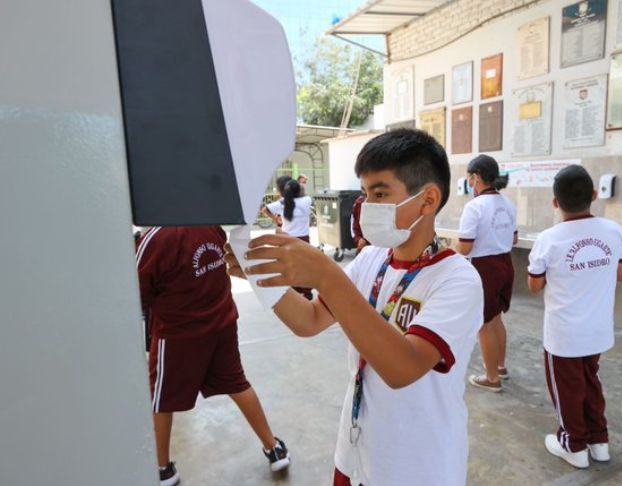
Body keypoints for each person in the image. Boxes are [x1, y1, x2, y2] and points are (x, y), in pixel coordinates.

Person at [225, 129, 483, 486]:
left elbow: (402, 368)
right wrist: (258, 275)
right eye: (364, 194)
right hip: (356, 452)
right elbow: (310, 320)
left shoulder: (457, 280)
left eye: (379, 193)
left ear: (428, 200)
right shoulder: (371, 260)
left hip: (418, 465)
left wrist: (328, 276)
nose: (366, 207)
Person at [136, 226, 290, 486]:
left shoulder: (156, 237)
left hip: (177, 335)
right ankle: (273, 448)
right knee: (237, 383)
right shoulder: (208, 224)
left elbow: (136, 291)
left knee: (162, 398)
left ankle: (162, 469)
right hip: (222, 323)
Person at [527, 165, 622, 469]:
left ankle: (573, 445)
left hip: (564, 334)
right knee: (590, 382)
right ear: (594, 195)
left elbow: (534, 287)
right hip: (598, 329)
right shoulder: (614, 231)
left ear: (555, 203)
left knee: (567, 390)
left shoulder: (548, 239)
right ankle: (599, 442)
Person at [457, 154, 518, 392]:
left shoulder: (474, 207)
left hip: (485, 269)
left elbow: (465, 247)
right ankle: (500, 366)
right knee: (496, 319)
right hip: (505, 264)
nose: (469, 183)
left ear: (477, 177)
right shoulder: (507, 203)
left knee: (484, 324)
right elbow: (513, 238)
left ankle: (491, 378)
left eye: (470, 178)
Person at [265, 179, 314, 300]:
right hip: (303, 239)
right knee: (304, 266)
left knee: (289, 266)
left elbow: (265, 209)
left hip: (287, 239)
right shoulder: (306, 201)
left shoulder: (282, 203)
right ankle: (307, 292)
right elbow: (303, 193)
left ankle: (294, 290)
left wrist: (276, 219)